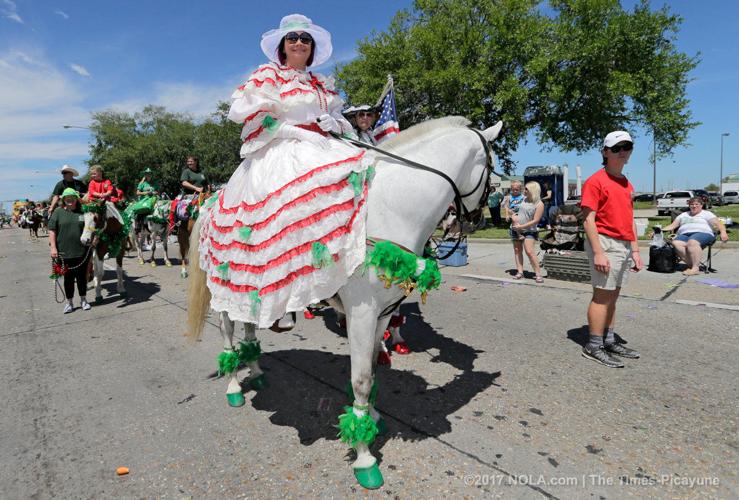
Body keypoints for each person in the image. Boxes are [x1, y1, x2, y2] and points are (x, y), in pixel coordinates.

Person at [197, 13, 371, 327]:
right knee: (283, 207)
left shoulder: (321, 84)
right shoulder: (270, 75)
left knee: (363, 176)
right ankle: (280, 298)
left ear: (312, 47)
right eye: (293, 38)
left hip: (322, 145)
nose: (299, 43)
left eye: (305, 39)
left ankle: (341, 277)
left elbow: (339, 119)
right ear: (283, 46)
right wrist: (296, 131)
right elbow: (249, 116)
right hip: (281, 147)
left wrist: (336, 124)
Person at [580, 130, 643, 368]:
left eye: (627, 147)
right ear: (605, 152)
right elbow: (588, 220)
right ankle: (593, 345)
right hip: (605, 242)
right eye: (616, 148)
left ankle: (608, 338)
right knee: (602, 296)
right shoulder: (596, 181)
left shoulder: (627, 184)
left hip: (624, 244)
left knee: (613, 296)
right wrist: (598, 251)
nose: (622, 152)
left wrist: (635, 250)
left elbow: (629, 219)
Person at [48, 188, 92, 313]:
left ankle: (84, 300)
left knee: (82, 278)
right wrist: (53, 247)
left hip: (82, 252)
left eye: (72, 198)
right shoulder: (58, 212)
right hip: (64, 252)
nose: (70, 200)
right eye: (67, 198)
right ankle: (69, 302)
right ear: (63, 200)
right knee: (68, 279)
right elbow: (52, 230)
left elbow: (91, 227)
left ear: (76, 200)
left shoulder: (83, 212)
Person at [662, 197, 728, 275]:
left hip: (703, 233)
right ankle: (692, 265)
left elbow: (718, 224)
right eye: (692, 204)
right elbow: (672, 226)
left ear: (701, 205)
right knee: (676, 243)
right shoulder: (683, 215)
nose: (694, 206)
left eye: (697, 204)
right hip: (684, 234)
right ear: (689, 205)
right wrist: (658, 231)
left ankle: (695, 269)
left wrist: (723, 232)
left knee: (692, 242)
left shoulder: (706, 213)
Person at [511, 182, 545, 282]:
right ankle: (520, 272)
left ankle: (538, 274)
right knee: (517, 251)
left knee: (529, 251)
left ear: (532, 190)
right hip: (516, 229)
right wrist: (513, 216)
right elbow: (514, 210)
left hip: (530, 231)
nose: (524, 191)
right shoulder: (523, 199)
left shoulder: (539, 204)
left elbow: (535, 220)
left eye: (526, 189)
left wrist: (521, 226)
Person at [502, 181, 525, 275]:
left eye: (517, 189)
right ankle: (520, 271)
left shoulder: (523, 197)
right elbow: (507, 207)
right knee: (517, 249)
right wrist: (507, 214)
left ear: (521, 189)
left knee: (528, 251)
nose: (515, 191)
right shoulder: (509, 197)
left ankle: (536, 271)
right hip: (514, 214)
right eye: (513, 189)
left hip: (523, 216)